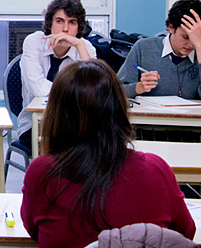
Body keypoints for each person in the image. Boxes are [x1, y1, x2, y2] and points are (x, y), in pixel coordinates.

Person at [20, 59, 195, 248]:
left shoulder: (42, 172)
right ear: (119, 109)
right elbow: (184, 234)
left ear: (56, 114)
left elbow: (34, 230)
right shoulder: (155, 171)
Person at [15, 0, 96, 154]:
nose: (65, 29)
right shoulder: (33, 42)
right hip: (36, 124)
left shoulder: (85, 47)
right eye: (59, 21)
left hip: (76, 124)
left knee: (97, 142)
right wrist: (75, 93)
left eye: (72, 22)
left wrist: (79, 46)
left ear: (79, 27)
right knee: (70, 147)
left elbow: (93, 90)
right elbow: (37, 89)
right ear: (50, 24)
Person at [117, 0, 201, 99]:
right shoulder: (143, 48)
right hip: (152, 114)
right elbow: (117, 91)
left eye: (195, 38)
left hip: (191, 115)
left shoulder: (198, 50)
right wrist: (139, 87)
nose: (190, 44)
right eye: (185, 37)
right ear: (171, 27)